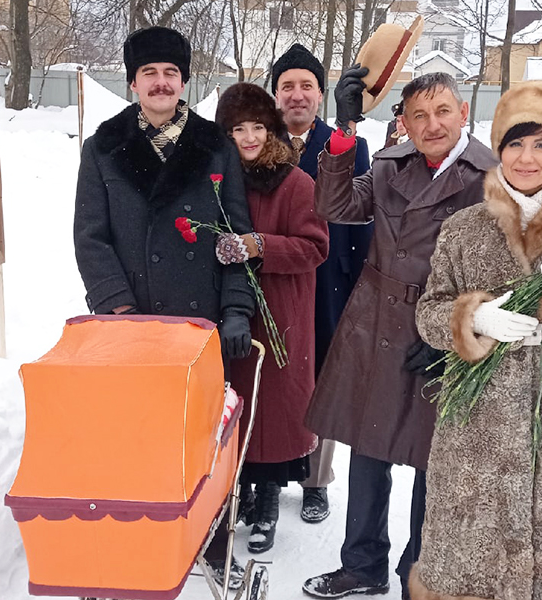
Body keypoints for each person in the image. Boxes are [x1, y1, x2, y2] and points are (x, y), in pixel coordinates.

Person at [407, 80, 542, 600]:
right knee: (465, 543)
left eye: (541, 144)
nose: (526, 158)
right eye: (515, 143)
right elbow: (428, 313)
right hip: (474, 419)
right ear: (498, 147)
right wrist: (474, 318)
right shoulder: (463, 228)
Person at [71, 25, 255, 587]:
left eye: (170, 73)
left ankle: (212, 537)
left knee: (203, 440)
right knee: (134, 437)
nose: (160, 82)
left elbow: (236, 235)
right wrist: (118, 309)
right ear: (132, 81)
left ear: (183, 82)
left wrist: (238, 310)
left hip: (199, 328)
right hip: (131, 326)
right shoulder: (102, 146)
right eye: (149, 73)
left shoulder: (214, 145)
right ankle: (137, 538)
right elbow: (91, 237)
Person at [302, 72, 496, 599]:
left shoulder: (494, 176)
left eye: (442, 112)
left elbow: (504, 267)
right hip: (380, 325)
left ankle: (420, 573)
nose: (432, 125)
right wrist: (343, 132)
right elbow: (335, 207)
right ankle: (362, 567)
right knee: (370, 450)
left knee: (435, 459)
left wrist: (454, 332)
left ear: (462, 112)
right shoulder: (390, 166)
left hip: (449, 335)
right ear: (404, 123)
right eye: (419, 115)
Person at [214, 82, 330, 553]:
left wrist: (261, 245)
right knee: (237, 405)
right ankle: (236, 488)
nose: (248, 138)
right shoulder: (218, 182)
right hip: (230, 311)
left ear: (272, 129)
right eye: (238, 129)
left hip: (281, 314)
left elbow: (315, 246)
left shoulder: (297, 182)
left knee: (274, 411)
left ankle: (266, 498)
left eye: (257, 127)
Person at [270, 43, 373, 525]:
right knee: (269, 375)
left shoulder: (344, 142)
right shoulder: (252, 142)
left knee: (321, 379)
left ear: (318, 94)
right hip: (270, 279)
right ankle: (265, 475)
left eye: (305, 85)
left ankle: (315, 479)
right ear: (275, 96)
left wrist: (356, 290)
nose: (296, 95)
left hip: (327, 280)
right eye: (286, 86)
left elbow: (359, 224)